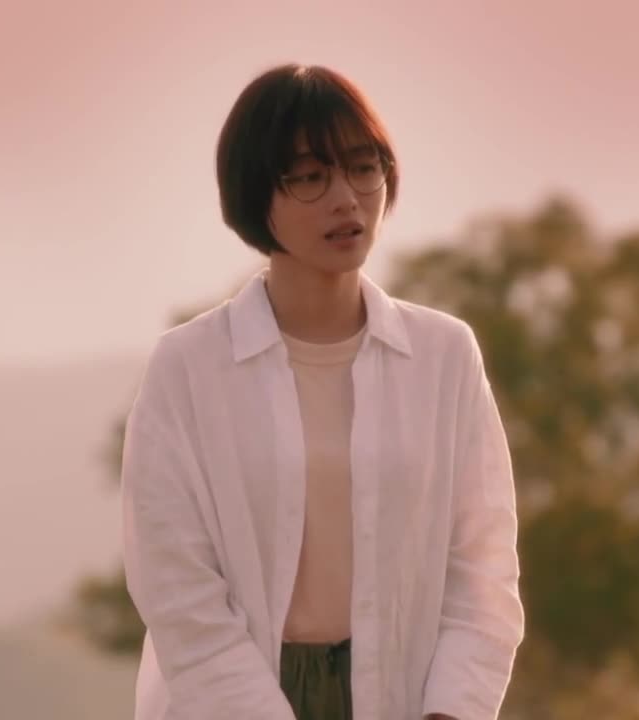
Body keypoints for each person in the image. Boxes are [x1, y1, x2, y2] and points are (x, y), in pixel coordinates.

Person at [120, 63, 524, 720]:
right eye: (310, 177)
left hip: (400, 692)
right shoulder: (188, 368)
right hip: (227, 700)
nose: (346, 199)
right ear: (255, 193)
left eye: (364, 168)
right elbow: (175, 586)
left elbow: (483, 573)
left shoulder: (444, 356)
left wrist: (450, 712)